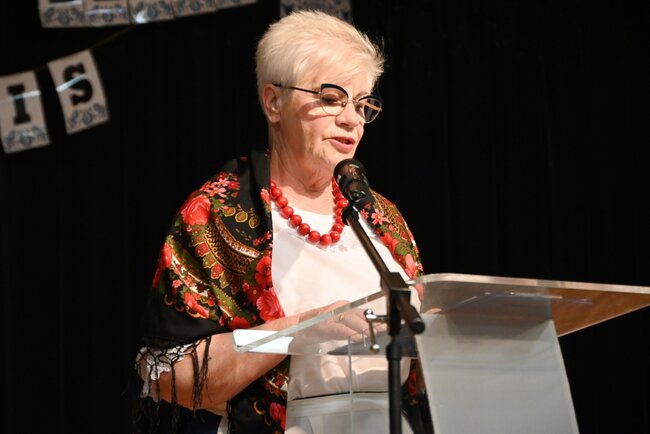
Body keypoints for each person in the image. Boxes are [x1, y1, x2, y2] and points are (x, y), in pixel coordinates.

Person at [134, 9, 433, 434]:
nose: (352, 119)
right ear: (273, 102)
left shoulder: (382, 217)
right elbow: (167, 373)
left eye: (363, 104)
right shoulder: (215, 213)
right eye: (332, 98)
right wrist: (299, 331)